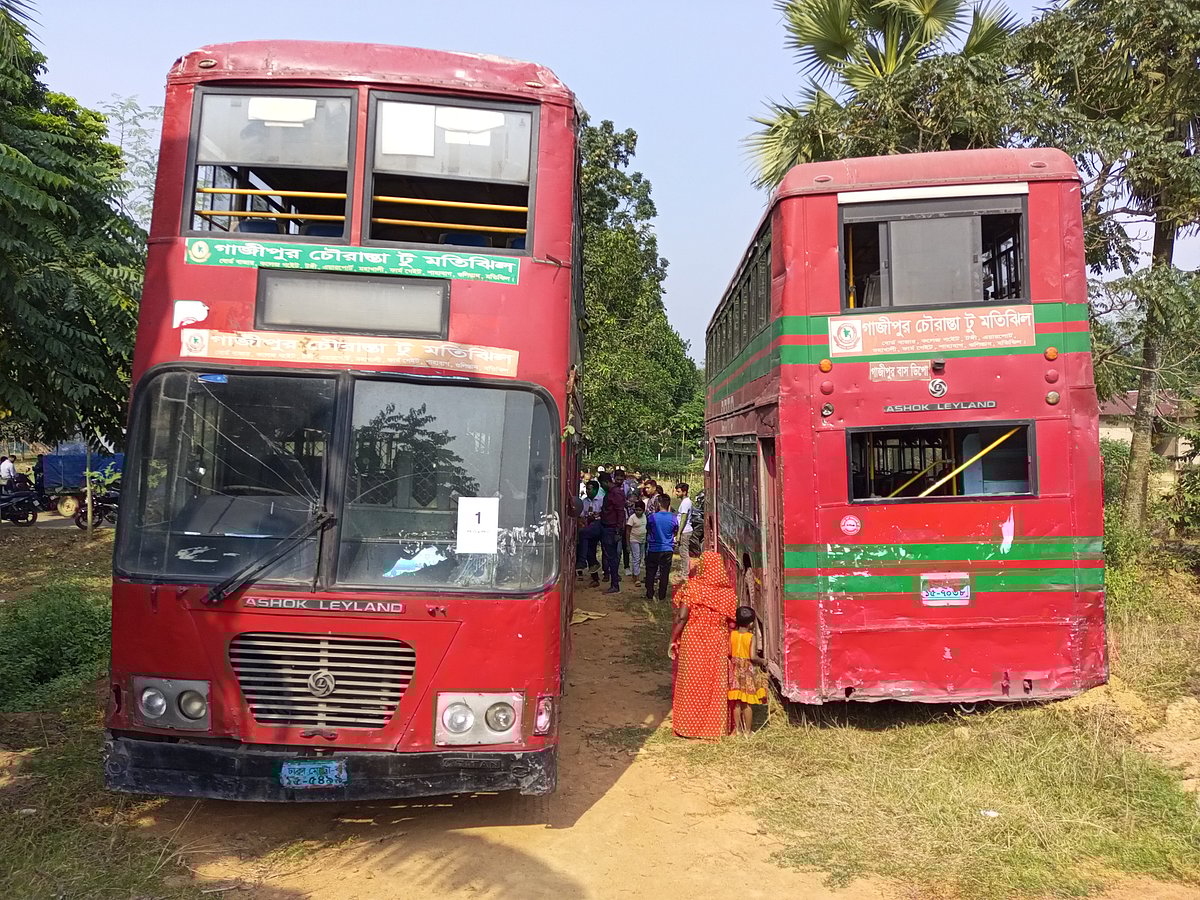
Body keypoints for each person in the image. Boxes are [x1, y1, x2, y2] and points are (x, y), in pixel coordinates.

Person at [669, 551, 738, 740]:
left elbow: (682, 617)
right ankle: (714, 729)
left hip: (694, 641)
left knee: (691, 683)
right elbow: (732, 622)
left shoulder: (692, 588)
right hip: (718, 642)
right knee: (715, 684)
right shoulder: (729, 594)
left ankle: (688, 727)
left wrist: (673, 638)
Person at [729, 605, 768, 735]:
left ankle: (738, 729)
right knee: (748, 702)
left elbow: (729, 652)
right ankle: (748, 731)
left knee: (737, 702)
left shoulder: (732, 635)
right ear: (751, 624)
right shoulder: (751, 637)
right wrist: (762, 661)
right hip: (746, 672)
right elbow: (752, 656)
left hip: (734, 670)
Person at [643, 495, 677, 601]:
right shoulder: (673, 518)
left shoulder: (652, 517)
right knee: (664, 573)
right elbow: (675, 530)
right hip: (667, 549)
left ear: (658, 504)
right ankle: (662, 595)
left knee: (650, 572)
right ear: (669, 504)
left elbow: (648, 529)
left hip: (654, 548)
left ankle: (649, 593)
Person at [599, 470, 627, 593]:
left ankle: (615, 584)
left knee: (612, 557)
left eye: (601, 484)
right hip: (605, 526)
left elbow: (621, 512)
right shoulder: (610, 492)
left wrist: (618, 531)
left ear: (606, 482)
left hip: (612, 529)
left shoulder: (616, 493)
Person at [576, 480, 603, 586]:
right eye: (587, 489)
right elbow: (581, 516)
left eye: (590, 489)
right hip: (587, 527)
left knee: (583, 537)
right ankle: (595, 577)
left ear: (596, 490)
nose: (587, 491)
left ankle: (582, 561)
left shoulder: (601, 500)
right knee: (588, 550)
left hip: (598, 526)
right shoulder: (584, 501)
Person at [626, 499, 647, 586]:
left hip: (642, 540)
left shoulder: (645, 517)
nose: (638, 512)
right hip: (634, 540)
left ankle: (635, 574)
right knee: (636, 557)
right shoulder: (632, 518)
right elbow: (627, 531)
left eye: (640, 510)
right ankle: (637, 578)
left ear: (643, 510)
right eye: (636, 510)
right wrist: (627, 544)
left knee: (640, 558)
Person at [675, 482, 695, 573]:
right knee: (682, 552)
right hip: (684, 530)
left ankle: (685, 573)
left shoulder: (685, 503)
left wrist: (679, 533)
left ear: (684, 492)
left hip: (685, 531)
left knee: (684, 553)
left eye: (678, 491)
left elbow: (683, 519)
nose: (676, 493)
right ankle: (684, 571)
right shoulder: (685, 502)